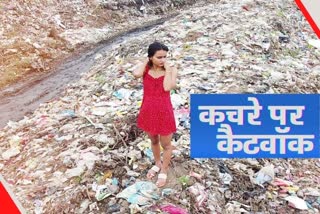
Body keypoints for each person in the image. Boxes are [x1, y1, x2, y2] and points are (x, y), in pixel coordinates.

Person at [132, 41, 178, 187]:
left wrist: (168, 70)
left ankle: (164, 170)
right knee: (153, 140)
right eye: (159, 57)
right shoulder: (145, 69)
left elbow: (166, 87)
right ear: (151, 57)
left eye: (165, 56)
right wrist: (146, 60)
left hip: (164, 112)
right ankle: (157, 163)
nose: (163, 60)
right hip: (148, 110)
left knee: (167, 144)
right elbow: (136, 74)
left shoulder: (171, 69)